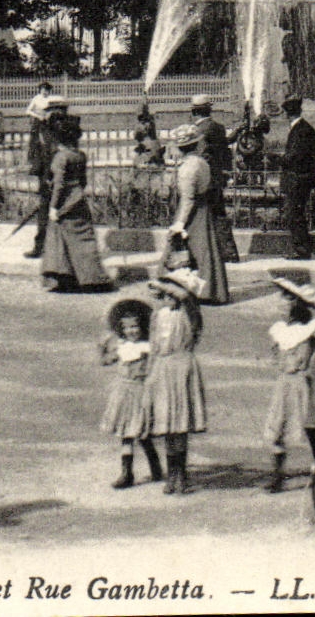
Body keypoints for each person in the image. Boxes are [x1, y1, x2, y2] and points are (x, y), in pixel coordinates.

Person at [143, 267, 208, 495]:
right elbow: (153, 345)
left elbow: (187, 299)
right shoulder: (158, 315)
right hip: (163, 368)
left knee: (180, 424)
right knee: (167, 424)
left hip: (182, 368)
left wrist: (167, 286)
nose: (169, 298)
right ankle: (171, 473)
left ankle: (180, 473)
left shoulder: (189, 314)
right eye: (166, 295)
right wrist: (150, 373)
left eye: (173, 294)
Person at [263, 276, 315, 494]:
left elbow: (311, 357)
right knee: (276, 427)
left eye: (286, 298)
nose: (280, 302)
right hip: (284, 385)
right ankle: (277, 474)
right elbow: (275, 357)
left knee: (306, 427)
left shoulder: (308, 332)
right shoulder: (280, 330)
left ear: (296, 304)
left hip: (300, 384)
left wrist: (302, 365)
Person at [41, 114, 109, 292]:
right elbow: (83, 181)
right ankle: (93, 278)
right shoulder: (80, 155)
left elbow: (59, 185)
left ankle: (63, 278)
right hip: (78, 200)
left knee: (58, 241)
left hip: (64, 202)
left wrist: (54, 207)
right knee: (83, 240)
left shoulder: (61, 158)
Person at [98, 298, 160, 489]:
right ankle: (127, 473)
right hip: (123, 393)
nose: (132, 331)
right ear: (121, 330)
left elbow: (153, 369)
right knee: (127, 433)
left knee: (142, 434)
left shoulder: (146, 348)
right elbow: (106, 361)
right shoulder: (122, 347)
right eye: (127, 328)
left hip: (140, 392)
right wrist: (102, 349)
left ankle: (155, 466)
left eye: (135, 326)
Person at [166, 124, 230, 305]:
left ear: (180, 148)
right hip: (205, 210)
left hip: (193, 213)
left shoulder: (187, 169)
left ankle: (182, 287)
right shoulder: (202, 162)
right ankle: (210, 289)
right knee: (206, 250)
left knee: (186, 249)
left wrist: (179, 223)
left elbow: (188, 199)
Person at [189, 93, 239, 263]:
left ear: (194, 112)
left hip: (204, 181)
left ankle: (204, 254)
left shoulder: (199, 130)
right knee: (219, 215)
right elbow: (224, 150)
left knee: (199, 217)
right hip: (217, 179)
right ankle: (229, 252)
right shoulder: (218, 127)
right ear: (209, 110)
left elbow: (200, 156)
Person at [23, 93, 68, 259]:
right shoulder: (41, 129)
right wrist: (40, 173)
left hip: (64, 178)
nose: (56, 115)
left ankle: (63, 250)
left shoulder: (69, 129)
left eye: (60, 111)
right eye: (51, 111)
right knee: (44, 212)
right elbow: (34, 151)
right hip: (47, 178)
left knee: (65, 214)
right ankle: (40, 246)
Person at [279, 96, 315, 261]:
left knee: (293, 214)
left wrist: (275, 159)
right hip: (300, 178)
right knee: (296, 213)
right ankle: (302, 248)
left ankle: (302, 250)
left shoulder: (301, 130)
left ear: (287, 114)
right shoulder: (303, 128)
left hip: (298, 179)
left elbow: (295, 156)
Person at [132, 103, 164, 168]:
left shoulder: (145, 126)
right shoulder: (147, 125)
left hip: (150, 154)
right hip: (149, 152)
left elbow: (137, 136)